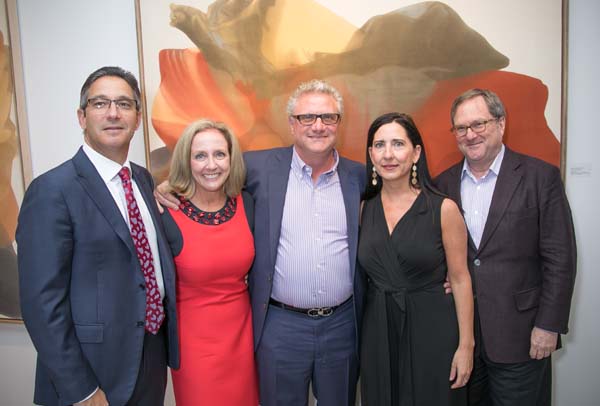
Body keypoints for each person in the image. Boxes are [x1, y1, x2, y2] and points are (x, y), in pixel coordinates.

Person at [157, 79, 366, 405]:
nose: (318, 126)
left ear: (339, 123)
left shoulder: (359, 176)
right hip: (280, 326)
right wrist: (168, 186)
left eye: (328, 117)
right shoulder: (258, 168)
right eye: (306, 118)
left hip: (341, 325)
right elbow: (210, 171)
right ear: (291, 124)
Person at [16, 66, 179, 406]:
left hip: (149, 358)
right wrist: (82, 390)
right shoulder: (52, 191)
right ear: (82, 116)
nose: (113, 113)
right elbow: (41, 304)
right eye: (100, 103)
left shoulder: (143, 181)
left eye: (124, 103)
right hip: (92, 372)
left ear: (137, 118)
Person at [435, 88, 577, 406]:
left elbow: (560, 258)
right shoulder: (442, 185)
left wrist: (549, 325)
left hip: (522, 336)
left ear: (501, 123)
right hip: (463, 339)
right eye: (461, 127)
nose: (470, 134)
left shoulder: (541, 178)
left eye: (478, 124)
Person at [358, 112, 474, 405]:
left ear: (416, 152)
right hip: (378, 332)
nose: (388, 154)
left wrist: (466, 346)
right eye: (379, 145)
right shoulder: (362, 209)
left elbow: (460, 279)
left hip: (433, 332)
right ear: (371, 154)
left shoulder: (443, 209)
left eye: (398, 144)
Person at [160, 119, 258, 405]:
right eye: (200, 156)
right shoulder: (166, 212)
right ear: (186, 161)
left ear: (231, 158)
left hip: (243, 341)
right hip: (194, 349)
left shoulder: (247, 203)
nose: (211, 165)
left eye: (219, 154)